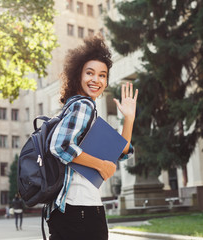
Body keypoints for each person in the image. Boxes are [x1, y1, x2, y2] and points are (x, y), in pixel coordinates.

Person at [46, 36, 138, 240]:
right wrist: (101, 165)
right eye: (90, 73)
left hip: (70, 210)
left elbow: (121, 152)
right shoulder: (83, 106)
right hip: (80, 210)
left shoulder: (77, 107)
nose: (96, 80)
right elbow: (60, 146)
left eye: (102, 75)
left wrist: (128, 118)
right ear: (78, 75)